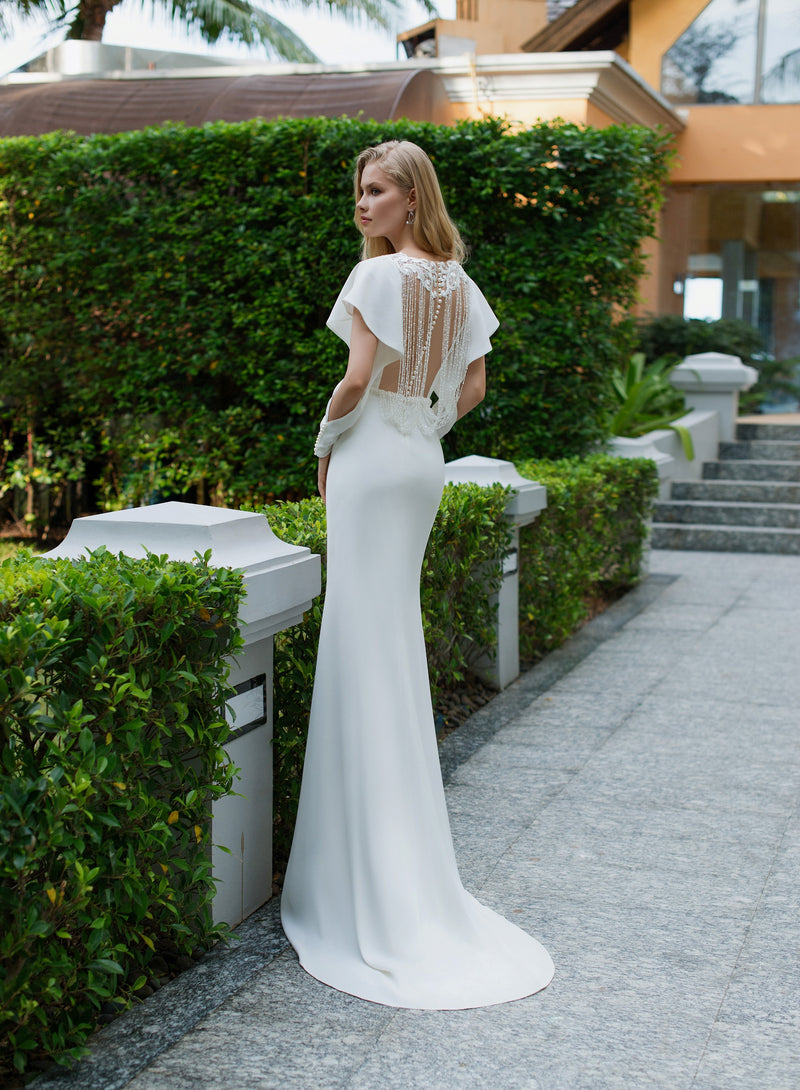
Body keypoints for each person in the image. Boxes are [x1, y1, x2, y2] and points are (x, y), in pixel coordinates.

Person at [280, 140, 554, 1009]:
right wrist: (424, 424)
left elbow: (357, 377)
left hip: (368, 462)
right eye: (359, 193)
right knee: (389, 635)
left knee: (359, 641)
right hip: (421, 463)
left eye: (375, 192)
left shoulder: (377, 280)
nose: (361, 206)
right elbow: (471, 386)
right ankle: (402, 865)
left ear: (409, 199)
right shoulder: (459, 286)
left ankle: (355, 876)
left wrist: (324, 444)